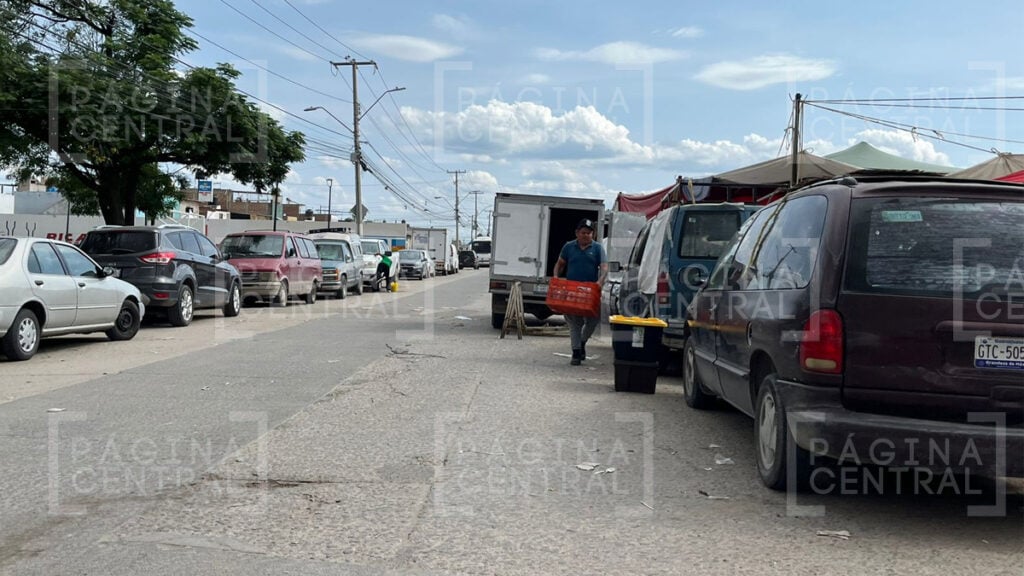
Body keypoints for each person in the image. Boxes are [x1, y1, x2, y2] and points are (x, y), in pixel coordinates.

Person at [553, 218, 608, 365]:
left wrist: (600, 281)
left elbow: (604, 267)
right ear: (577, 233)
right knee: (574, 323)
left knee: (593, 321)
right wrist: (556, 277)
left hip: (591, 292)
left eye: (589, 233)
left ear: (593, 234)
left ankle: (582, 342)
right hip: (572, 291)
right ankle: (576, 352)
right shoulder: (569, 247)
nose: (586, 235)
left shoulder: (598, 248)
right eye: (583, 232)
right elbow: (560, 264)